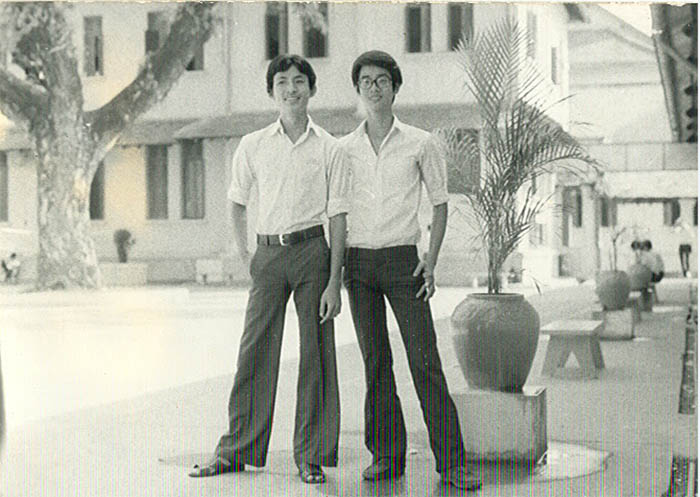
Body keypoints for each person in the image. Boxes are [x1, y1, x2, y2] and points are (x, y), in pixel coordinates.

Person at [189, 54, 349, 485]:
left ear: (311, 89)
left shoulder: (330, 147)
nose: (291, 89)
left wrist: (334, 281)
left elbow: (338, 217)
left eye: (299, 81)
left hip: (313, 252)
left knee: (316, 353)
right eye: (282, 82)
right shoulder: (253, 144)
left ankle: (311, 456)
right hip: (268, 255)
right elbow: (236, 202)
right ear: (271, 91)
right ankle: (237, 450)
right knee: (254, 351)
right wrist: (246, 257)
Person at [339, 50, 480, 491]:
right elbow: (335, 210)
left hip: (405, 262)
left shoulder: (420, 142)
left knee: (424, 361)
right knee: (375, 363)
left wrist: (430, 261)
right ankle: (386, 455)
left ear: (395, 87)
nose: (374, 87)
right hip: (358, 264)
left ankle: (452, 462)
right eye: (366, 81)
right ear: (358, 89)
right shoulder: (344, 148)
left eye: (382, 80)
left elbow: (440, 204)